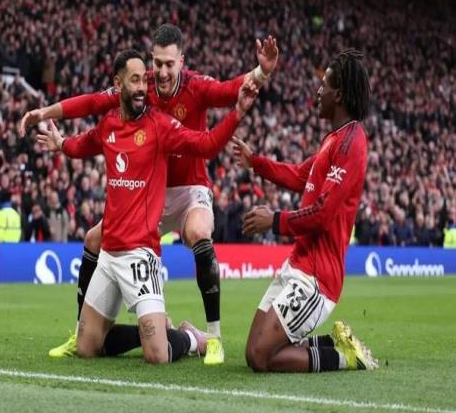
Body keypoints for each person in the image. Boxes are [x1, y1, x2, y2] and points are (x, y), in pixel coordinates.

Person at [21, 23, 278, 363]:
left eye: (170, 64)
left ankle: (212, 336)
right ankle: (83, 329)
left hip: (189, 189)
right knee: (94, 238)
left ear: (181, 61)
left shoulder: (195, 87)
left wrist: (261, 72)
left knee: (198, 232)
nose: (162, 72)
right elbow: (93, 103)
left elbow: (231, 91)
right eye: (157, 64)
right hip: (150, 193)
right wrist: (46, 113)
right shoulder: (142, 85)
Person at [232, 49, 378, 373]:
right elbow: (300, 175)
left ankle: (345, 358)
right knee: (254, 349)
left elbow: (322, 214)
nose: (318, 90)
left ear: (338, 95)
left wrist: (273, 221)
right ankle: (330, 343)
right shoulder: (334, 140)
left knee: (260, 357)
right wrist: (256, 162)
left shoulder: (352, 142)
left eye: (325, 84)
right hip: (298, 262)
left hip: (317, 277)